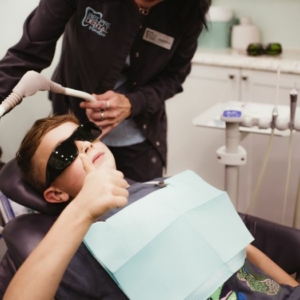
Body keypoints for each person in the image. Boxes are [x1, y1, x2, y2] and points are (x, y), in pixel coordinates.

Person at [1, 114, 300, 300]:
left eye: (83, 136)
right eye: (65, 154)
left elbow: (242, 249)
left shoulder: (168, 186)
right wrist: (82, 210)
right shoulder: (75, 247)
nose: (85, 147)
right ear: (54, 195)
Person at [0, 0, 211, 182]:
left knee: (136, 213)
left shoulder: (189, 9)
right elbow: (25, 56)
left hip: (139, 138)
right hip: (75, 122)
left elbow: (174, 76)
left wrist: (134, 102)